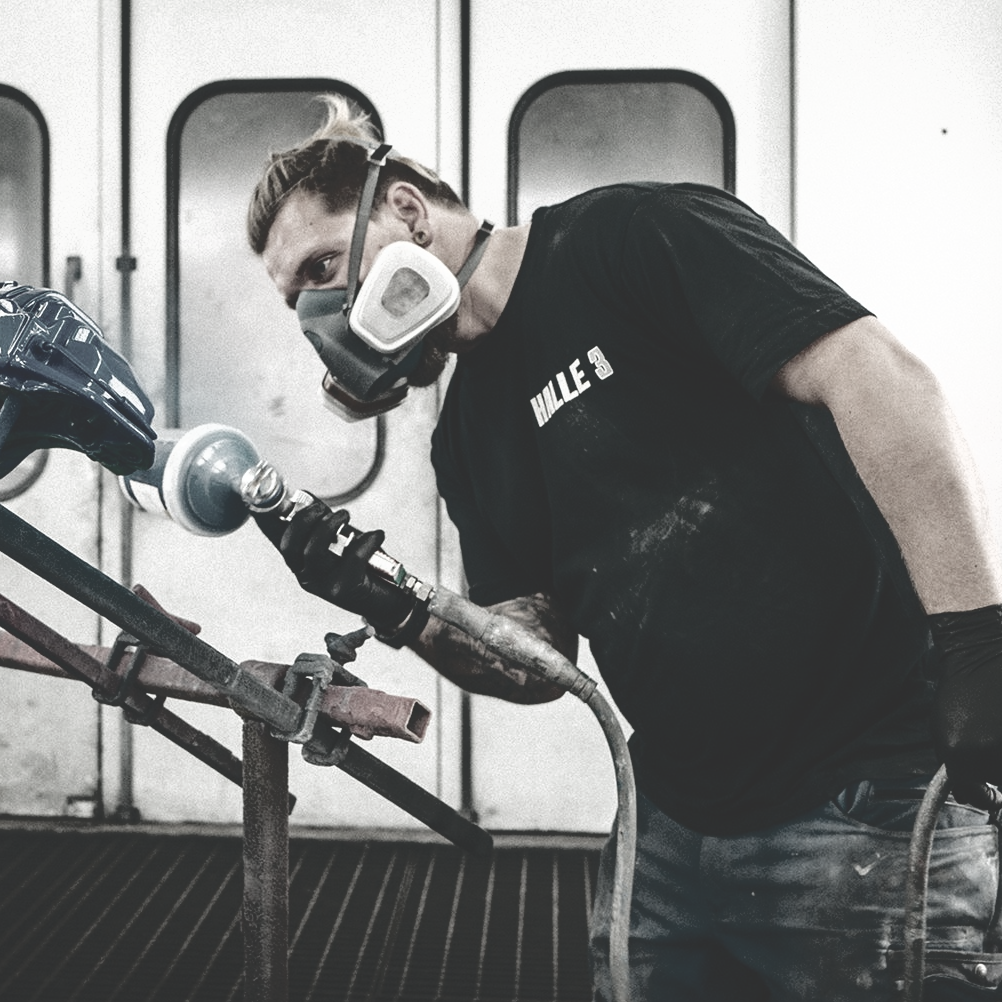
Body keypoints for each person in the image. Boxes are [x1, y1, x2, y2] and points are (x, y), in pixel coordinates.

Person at [246, 95, 1002, 1000]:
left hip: (864, 797)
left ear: (405, 208)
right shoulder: (468, 434)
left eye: (324, 267)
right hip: (670, 822)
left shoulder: (635, 238)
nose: (320, 315)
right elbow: (535, 655)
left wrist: (976, 638)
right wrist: (396, 603)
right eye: (298, 302)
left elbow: (878, 377)